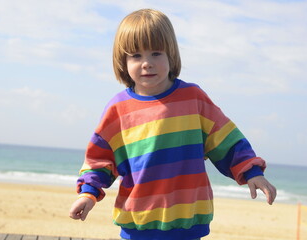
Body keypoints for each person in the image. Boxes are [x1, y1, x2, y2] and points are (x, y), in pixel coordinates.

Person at [69, 8, 277, 240]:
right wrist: (88, 194)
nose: (147, 63)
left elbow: (225, 139)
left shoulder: (193, 98)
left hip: (187, 221)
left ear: (171, 55)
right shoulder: (119, 109)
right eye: (136, 55)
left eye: (156, 53)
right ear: (123, 60)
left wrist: (252, 172)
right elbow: (100, 159)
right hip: (139, 223)